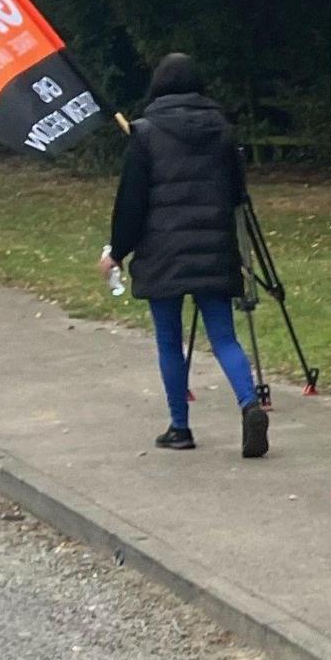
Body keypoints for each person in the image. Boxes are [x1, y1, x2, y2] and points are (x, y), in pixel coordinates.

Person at [104, 54, 267, 458]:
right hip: (213, 248)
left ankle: (180, 427)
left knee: (168, 341)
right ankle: (249, 403)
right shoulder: (222, 131)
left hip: (162, 252)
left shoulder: (144, 133)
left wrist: (117, 250)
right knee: (224, 336)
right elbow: (235, 195)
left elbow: (131, 201)